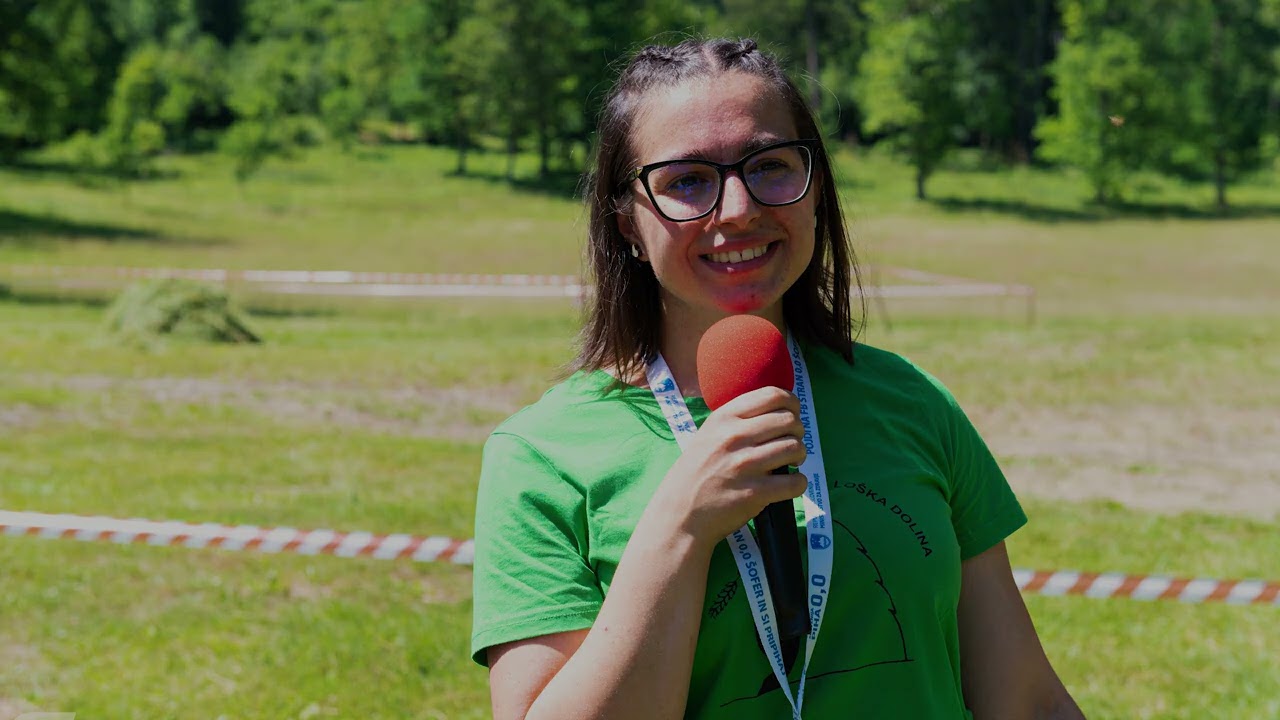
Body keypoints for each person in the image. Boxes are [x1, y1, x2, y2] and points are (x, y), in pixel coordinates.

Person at [470, 37, 1085, 720]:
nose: (737, 208)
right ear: (627, 226)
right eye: (687, 181)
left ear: (815, 188)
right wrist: (680, 526)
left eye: (770, 166)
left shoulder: (911, 402)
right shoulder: (542, 455)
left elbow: (1027, 703)